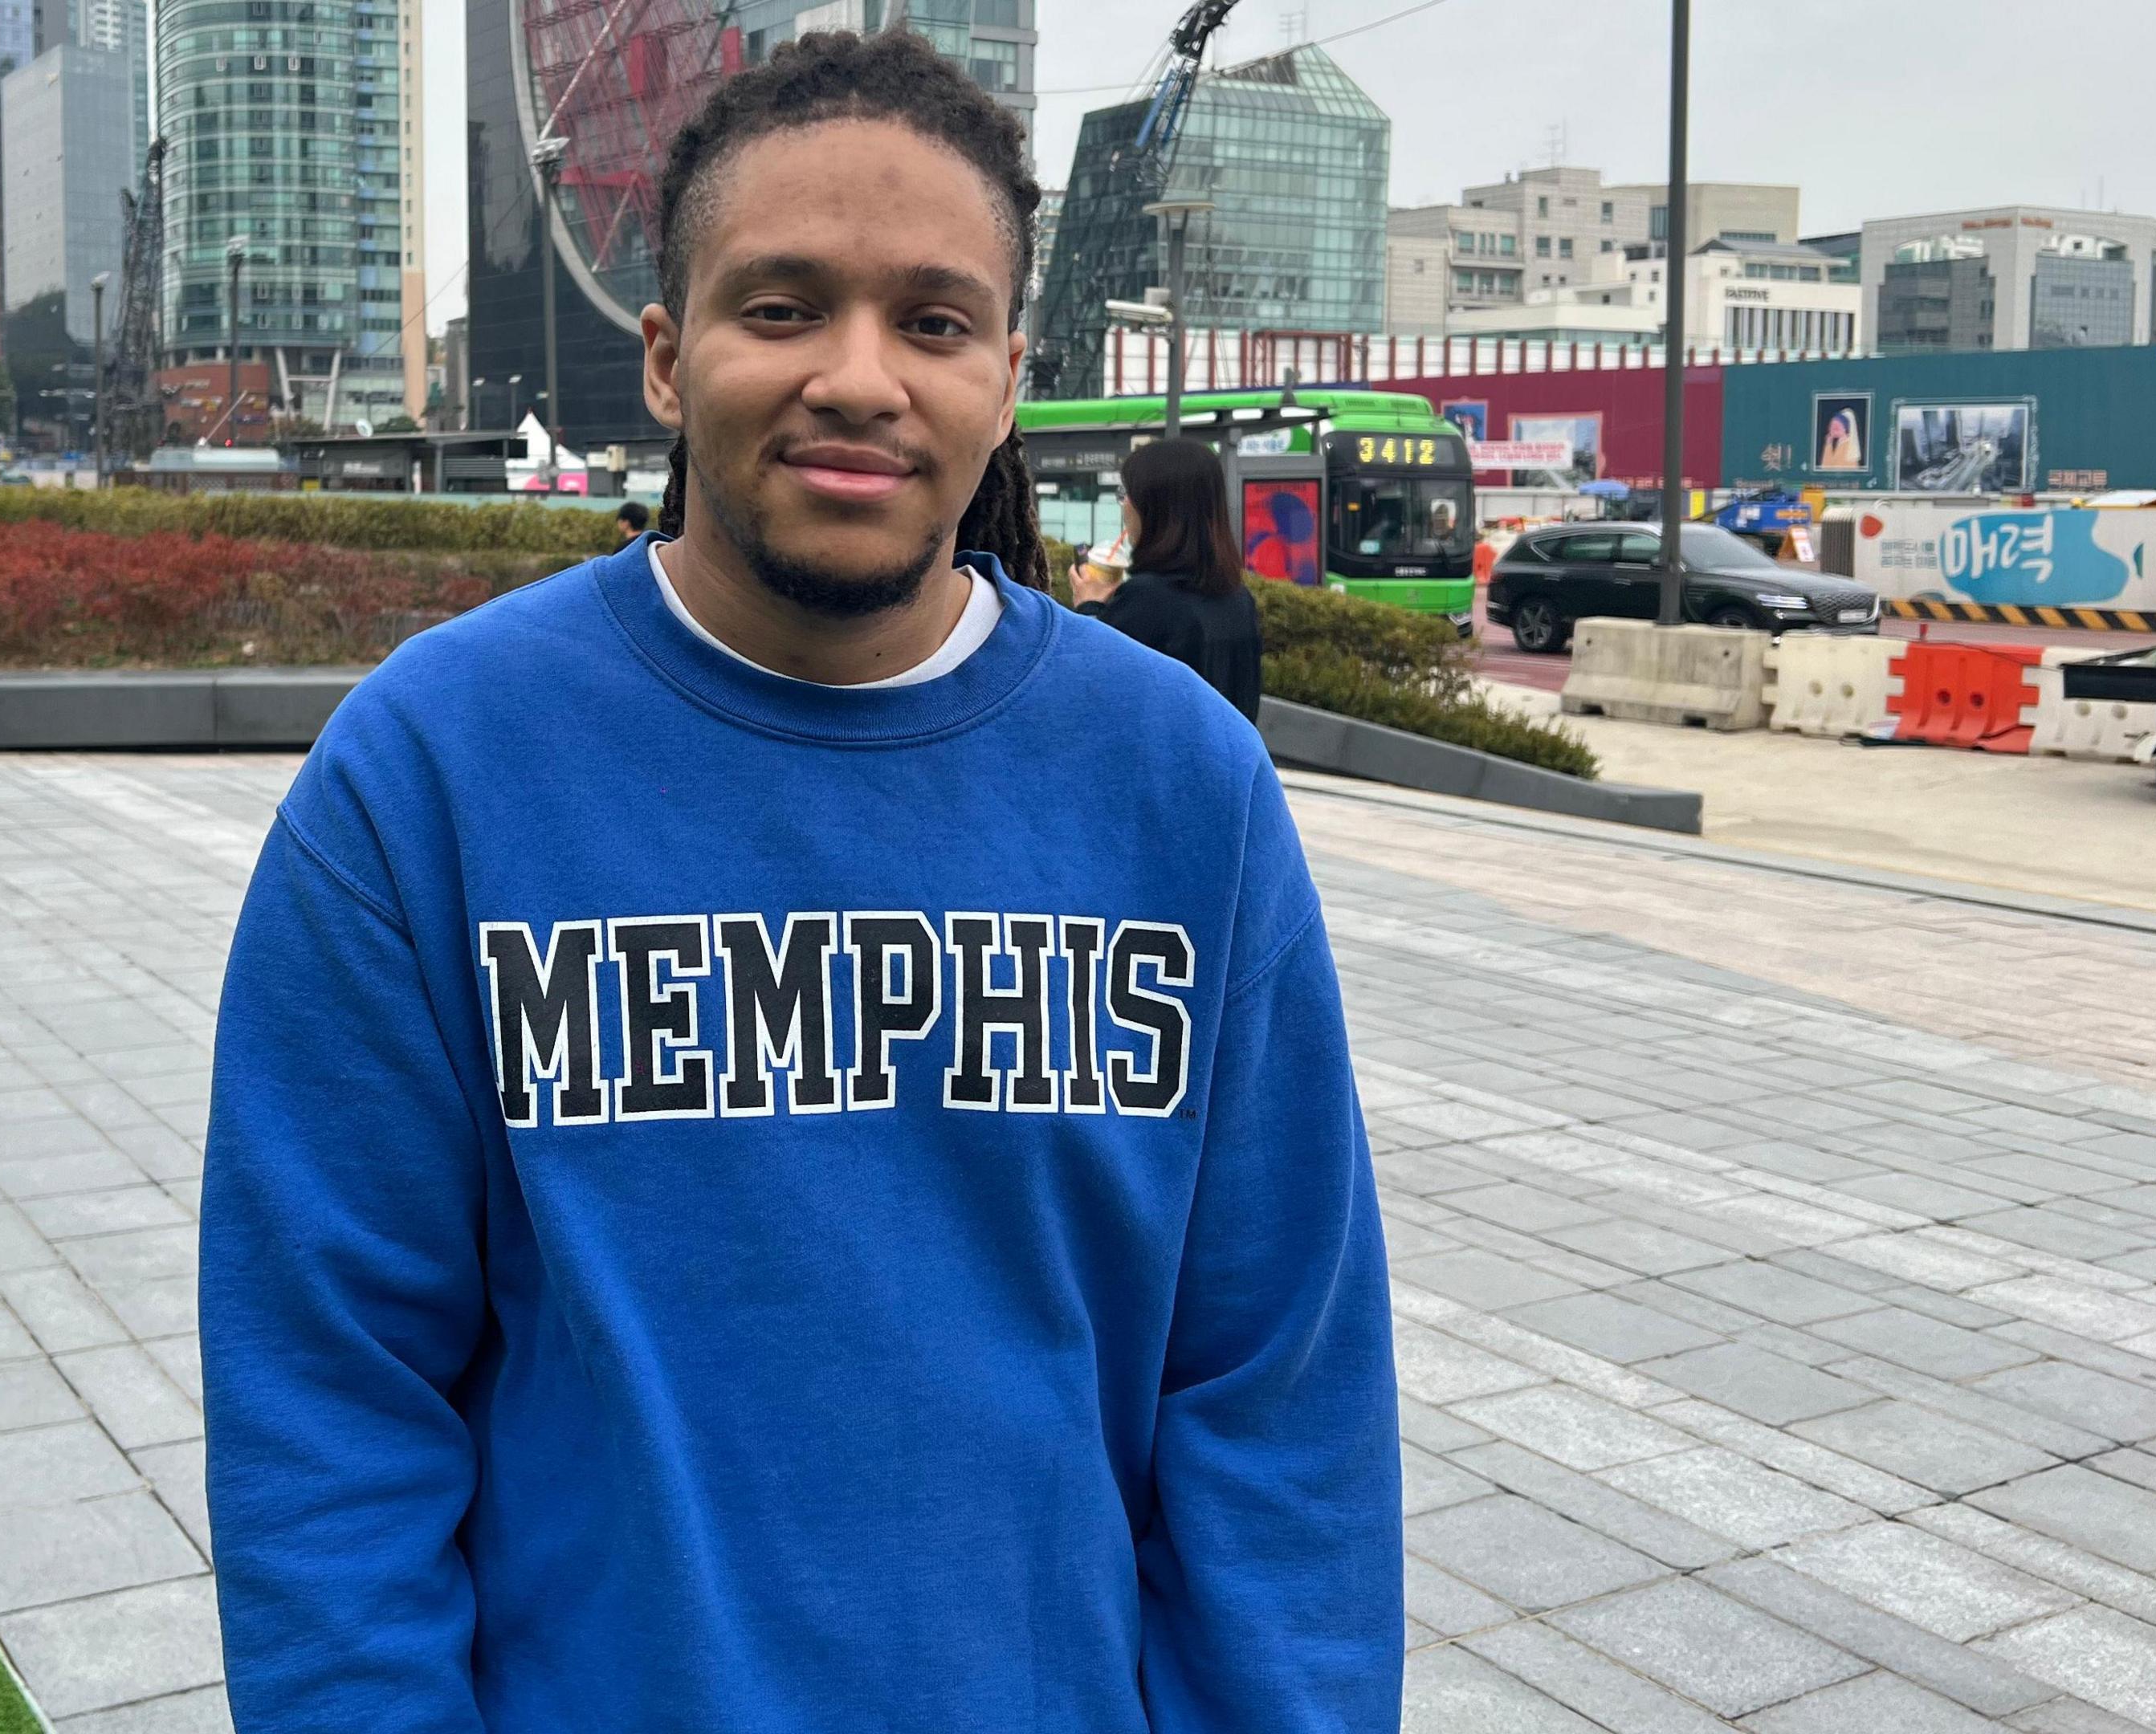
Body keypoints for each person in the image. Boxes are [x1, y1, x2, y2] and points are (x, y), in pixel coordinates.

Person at [200, 31, 1397, 1734]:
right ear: (669, 362)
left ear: (1007, 372)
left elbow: (1280, 1404)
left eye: (932, 319)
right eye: (783, 308)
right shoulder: (431, 775)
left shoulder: (1181, 790)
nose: (860, 377)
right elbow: (329, 1401)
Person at [1069, 437, 1265, 720]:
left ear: (1154, 505)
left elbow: (1091, 686)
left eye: (1127, 493)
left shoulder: (1148, 599)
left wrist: (1089, 607)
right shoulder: (1238, 599)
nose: (1124, 505)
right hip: (1228, 762)